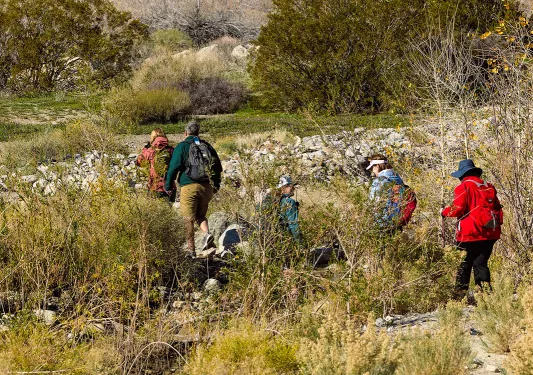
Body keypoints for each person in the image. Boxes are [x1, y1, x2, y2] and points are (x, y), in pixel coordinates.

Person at [441, 159, 503, 300]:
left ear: (462, 175)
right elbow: (497, 208)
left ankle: (459, 297)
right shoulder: (489, 186)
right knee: (481, 263)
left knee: (464, 263)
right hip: (490, 232)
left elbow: (457, 209)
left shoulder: (464, 187)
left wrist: (444, 212)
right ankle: (485, 296)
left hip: (469, 234)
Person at [165, 121, 223, 257]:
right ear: (198, 133)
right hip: (207, 187)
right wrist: (215, 185)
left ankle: (191, 251)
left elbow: (173, 167)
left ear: (185, 133)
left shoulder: (182, 146)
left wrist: (168, 185)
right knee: (200, 215)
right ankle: (207, 235)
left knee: (188, 218)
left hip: (189, 186)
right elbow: (217, 167)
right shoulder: (207, 146)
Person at [367, 154, 416, 232]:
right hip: (397, 223)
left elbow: (373, 203)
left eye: (372, 168)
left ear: (377, 166)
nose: (373, 172)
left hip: (381, 224)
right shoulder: (398, 180)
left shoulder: (379, 181)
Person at [136, 128, 176, 201]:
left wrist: (145, 149)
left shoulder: (150, 150)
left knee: (156, 211)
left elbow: (139, 162)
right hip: (170, 187)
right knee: (169, 210)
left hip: (155, 186)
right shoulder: (171, 150)